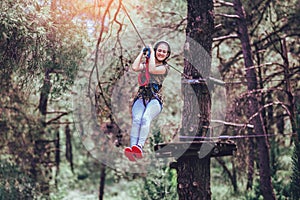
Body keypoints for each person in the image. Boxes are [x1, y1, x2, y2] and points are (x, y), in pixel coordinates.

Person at [124, 40, 171, 162]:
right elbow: (135, 67)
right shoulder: (147, 64)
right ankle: (133, 148)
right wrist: (142, 52)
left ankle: (139, 146)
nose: (161, 53)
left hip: (155, 99)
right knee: (137, 119)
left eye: (164, 52)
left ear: (167, 54)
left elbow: (152, 69)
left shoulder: (165, 68)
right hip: (141, 97)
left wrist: (150, 51)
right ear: (156, 51)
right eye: (159, 50)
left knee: (145, 118)